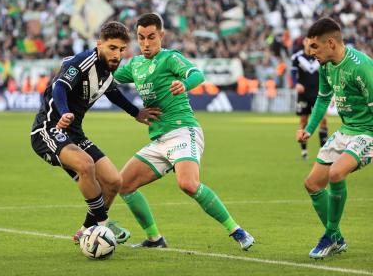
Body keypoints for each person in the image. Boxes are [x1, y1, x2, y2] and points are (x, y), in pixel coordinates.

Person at [114, 13, 255, 250]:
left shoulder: (170, 58)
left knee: (188, 184)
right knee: (123, 184)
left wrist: (185, 84)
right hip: (158, 139)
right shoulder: (135, 64)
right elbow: (109, 78)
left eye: (151, 37)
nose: (146, 43)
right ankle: (155, 239)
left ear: (161, 35)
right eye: (140, 38)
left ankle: (237, 230)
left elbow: (196, 74)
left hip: (182, 131)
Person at [30, 21, 160, 244]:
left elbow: (112, 92)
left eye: (121, 50)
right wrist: (64, 112)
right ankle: (102, 225)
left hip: (75, 134)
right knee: (86, 165)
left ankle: (87, 229)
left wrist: (135, 113)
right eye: (112, 48)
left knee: (114, 181)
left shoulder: (108, 70)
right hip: (50, 129)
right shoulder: (83, 61)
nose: (117, 55)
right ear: (99, 44)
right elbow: (60, 86)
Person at [297, 17, 373, 259]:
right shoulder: (326, 66)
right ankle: (337, 238)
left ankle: (329, 235)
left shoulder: (361, 67)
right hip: (347, 129)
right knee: (312, 183)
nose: (311, 54)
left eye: (315, 47)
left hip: (368, 131)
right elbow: (322, 98)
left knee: (336, 173)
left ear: (330, 43)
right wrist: (309, 128)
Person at [291, 37, 328, 160]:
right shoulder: (297, 57)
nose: (310, 44)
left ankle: (323, 151)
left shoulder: (320, 55)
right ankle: (304, 152)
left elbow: (327, 72)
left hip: (319, 93)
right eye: (308, 41)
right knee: (303, 120)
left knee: (323, 120)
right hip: (304, 93)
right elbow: (293, 73)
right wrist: (296, 83)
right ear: (304, 42)